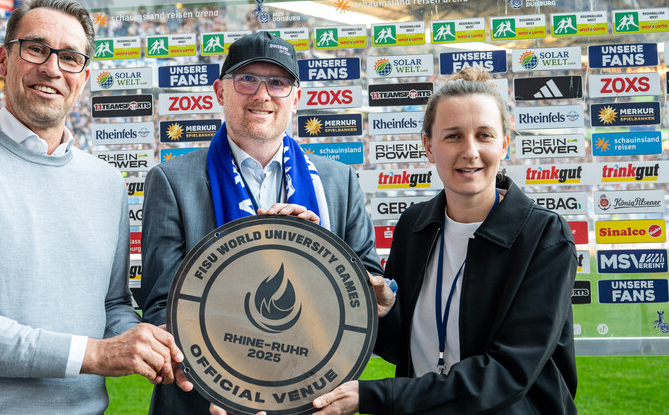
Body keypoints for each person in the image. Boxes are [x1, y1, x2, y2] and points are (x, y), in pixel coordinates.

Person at [0, 0, 189, 414]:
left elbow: (112, 305)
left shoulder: (106, 183)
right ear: (3, 59)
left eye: (70, 58)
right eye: (36, 49)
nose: (52, 68)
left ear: (83, 77)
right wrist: (94, 355)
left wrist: (157, 345)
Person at [140, 31, 385, 415]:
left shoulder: (338, 180)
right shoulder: (172, 181)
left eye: (278, 82)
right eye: (247, 79)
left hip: (306, 399)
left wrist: (320, 253)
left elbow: (370, 287)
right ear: (221, 92)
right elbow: (160, 306)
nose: (262, 94)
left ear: (296, 97)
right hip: (206, 403)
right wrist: (227, 381)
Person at [312, 67, 578, 414]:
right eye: (453, 136)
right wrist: (387, 311)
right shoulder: (414, 225)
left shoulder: (544, 235)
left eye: (484, 135)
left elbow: (509, 373)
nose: (470, 151)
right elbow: (402, 349)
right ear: (429, 146)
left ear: (504, 144)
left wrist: (377, 396)